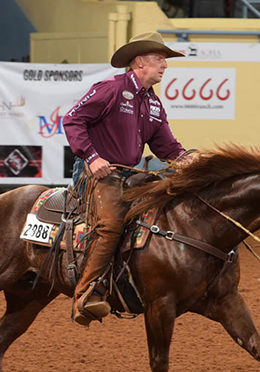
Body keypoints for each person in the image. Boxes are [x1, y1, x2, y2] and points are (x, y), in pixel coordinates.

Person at [63, 31, 187, 326]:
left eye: (164, 60)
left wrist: (187, 159)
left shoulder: (153, 104)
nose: (165, 66)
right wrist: (92, 157)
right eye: (159, 59)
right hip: (95, 172)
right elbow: (72, 119)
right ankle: (86, 294)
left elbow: (166, 146)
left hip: (128, 175)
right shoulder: (110, 89)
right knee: (110, 224)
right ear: (140, 61)